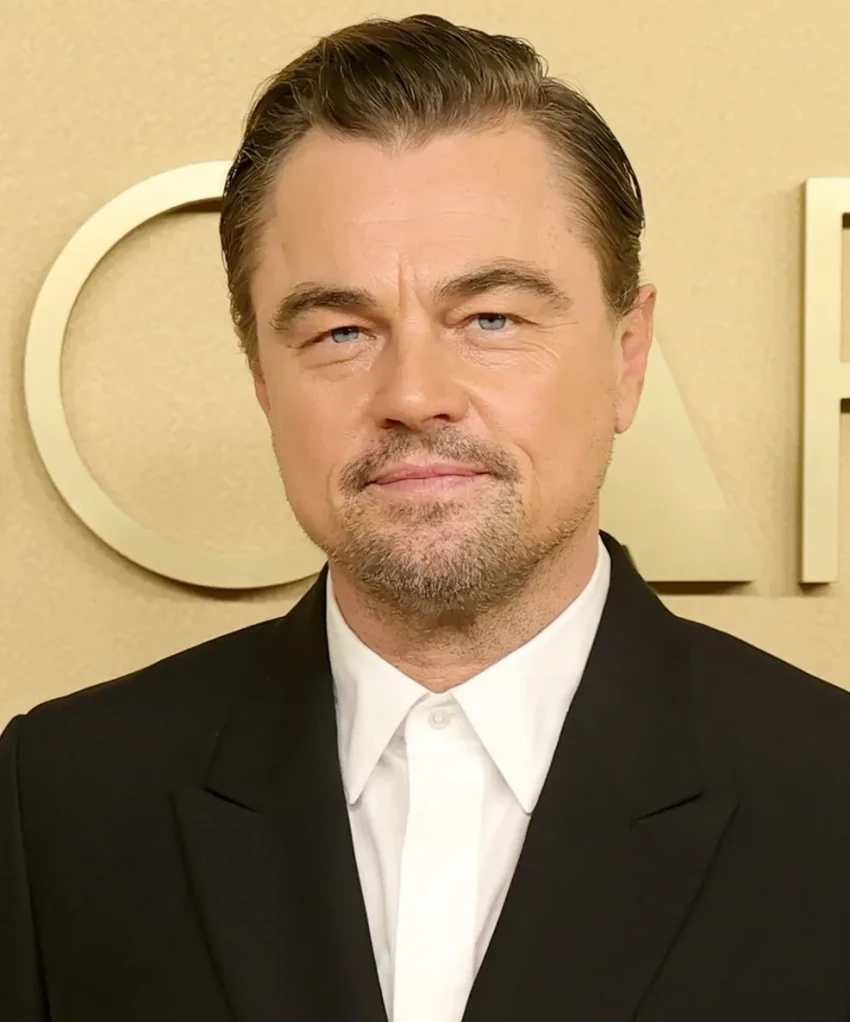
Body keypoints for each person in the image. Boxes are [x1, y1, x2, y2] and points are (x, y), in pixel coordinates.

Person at [3, 13, 850, 1022]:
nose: (413, 393)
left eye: (490, 318)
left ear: (627, 359)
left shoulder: (830, 794)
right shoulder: (61, 800)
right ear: (263, 378)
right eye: (341, 330)